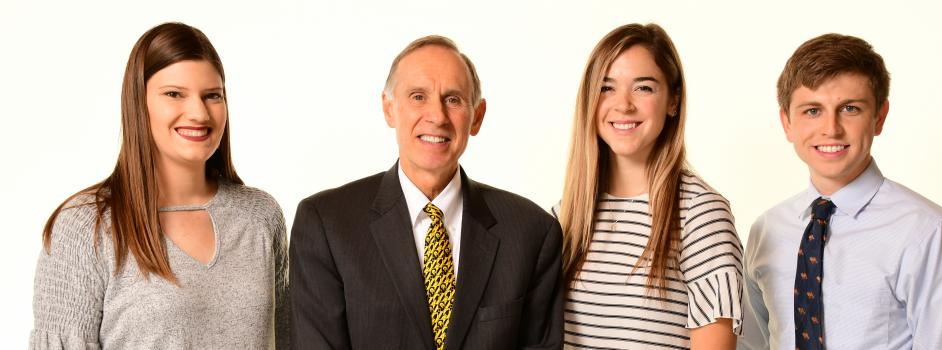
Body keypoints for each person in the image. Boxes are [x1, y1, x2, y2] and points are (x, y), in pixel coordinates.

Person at [289, 35, 564, 349]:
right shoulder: (327, 225)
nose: (437, 115)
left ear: (477, 116)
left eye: (453, 99)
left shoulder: (532, 232)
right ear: (389, 109)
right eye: (418, 96)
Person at [30, 22, 289, 349]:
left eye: (212, 96)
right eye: (174, 94)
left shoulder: (260, 217)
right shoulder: (86, 226)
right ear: (139, 102)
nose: (198, 112)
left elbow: (287, 339)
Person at [739, 33, 942, 350]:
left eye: (850, 109)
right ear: (787, 122)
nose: (831, 128)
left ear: (879, 117)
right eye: (812, 110)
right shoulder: (767, 230)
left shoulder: (932, 234)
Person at [553, 23, 742, 349]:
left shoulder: (700, 213)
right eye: (607, 88)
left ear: (673, 101)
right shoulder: (566, 215)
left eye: (643, 88)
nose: (623, 105)